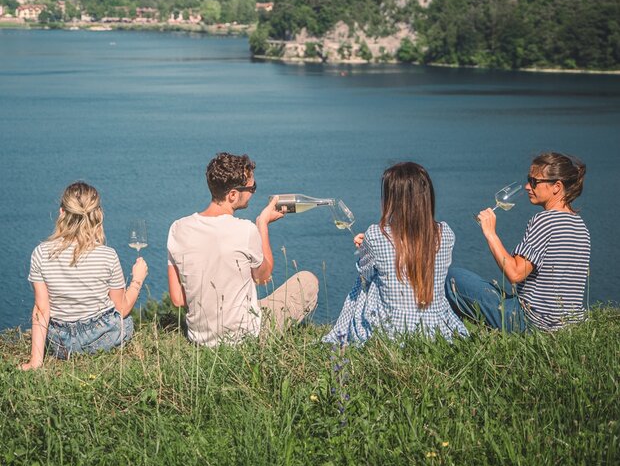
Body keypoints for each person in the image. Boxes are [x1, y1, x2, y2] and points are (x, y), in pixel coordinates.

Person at [167, 152, 319, 346]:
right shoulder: (245, 230)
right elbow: (263, 277)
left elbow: (178, 299)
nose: (254, 192)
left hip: (199, 339)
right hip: (244, 338)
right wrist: (262, 224)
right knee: (308, 281)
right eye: (251, 187)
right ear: (232, 195)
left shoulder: (178, 228)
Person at [324, 161, 468, 345]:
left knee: (365, 282)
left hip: (390, 331)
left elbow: (365, 277)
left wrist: (365, 251)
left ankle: (341, 333)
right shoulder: (445, 234)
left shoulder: (376, 235)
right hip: (436, 329)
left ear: (394, 201)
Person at [446, 152, 590, 332]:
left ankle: (454, 334)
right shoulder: (580, 225)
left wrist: (491, 234)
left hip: (532, 322)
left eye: (535, 181)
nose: (527, 186)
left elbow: (515, 273)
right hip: (568, 325)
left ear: (557, 187)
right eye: (528, 179)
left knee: (452, 277)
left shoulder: (544, 221)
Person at [21, 181, 147, 369]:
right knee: (126, 321)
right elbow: (122, 309)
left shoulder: (40, 253)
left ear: (62, 213)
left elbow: (41, 309)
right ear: (98, 214)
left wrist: (35, 360)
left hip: (60, 344)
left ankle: (39, 360)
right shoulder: (107, 255)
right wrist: (137, 279)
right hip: (103, 338)